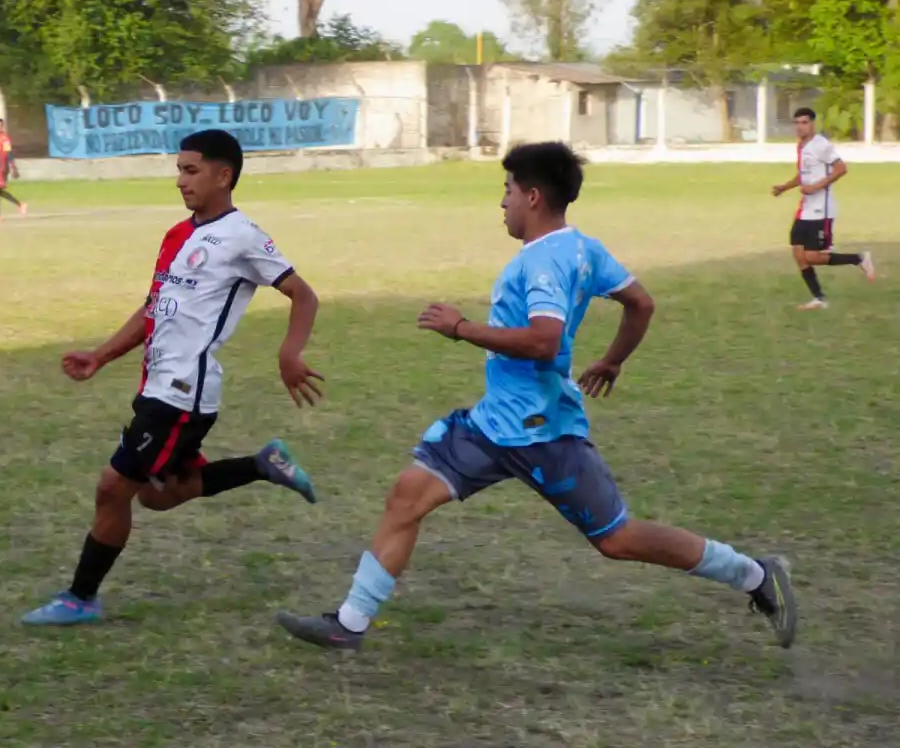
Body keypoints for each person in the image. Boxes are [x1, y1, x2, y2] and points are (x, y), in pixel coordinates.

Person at [276, 141, 799, 652]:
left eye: (506, 190)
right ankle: (349, 622)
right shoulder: (583, 247)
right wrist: (613, 358)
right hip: (490, 426)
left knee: (616, 538)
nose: (501, 202)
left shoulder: (542, 261)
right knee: (407, 496)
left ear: (532, 197)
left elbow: (544, 339)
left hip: (541, 432)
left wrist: (461, 328)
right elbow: (640, 303)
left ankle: (754, 574)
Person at [22, 129, 325, 626]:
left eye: (191, 170)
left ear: (223, 175)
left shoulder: (243, 236)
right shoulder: (176, 236)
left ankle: (80, 597)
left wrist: (290, 352)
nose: (180, 180)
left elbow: (303, 295)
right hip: (156, 386)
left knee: (113, 488)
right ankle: (262, 464)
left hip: (183, 394)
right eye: (179, 170)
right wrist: (101, 356)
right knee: (160, 494)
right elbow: (153, 308)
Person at [772, 107, 874, 310]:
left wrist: (816, 186)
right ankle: (819, 299)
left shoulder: (821, 145)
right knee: (799, 254)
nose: (800, 127)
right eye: (797, 123)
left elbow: (841, 168)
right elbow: (803, 175)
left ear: (812, 124)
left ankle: (859, 259)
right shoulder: (801, 146)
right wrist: (784, 187)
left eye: (804, 122)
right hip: (805, 208)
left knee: (811, 256)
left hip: (822, 209)